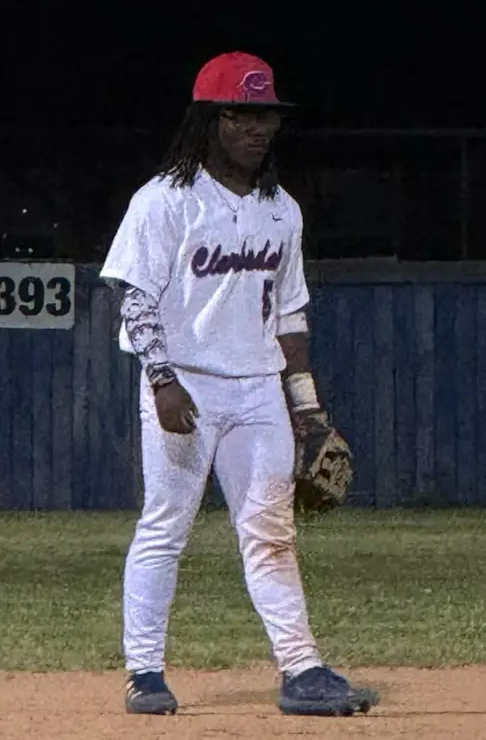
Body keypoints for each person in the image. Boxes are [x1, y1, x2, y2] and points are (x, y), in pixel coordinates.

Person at [100, 51, 379, 718]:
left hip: (257, 389)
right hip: (186, 386)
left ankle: (301, 669)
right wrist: (162, 379)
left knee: (271, 531)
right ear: (208, 120)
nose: (257, 127)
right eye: (240, 114)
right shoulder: (164, 200)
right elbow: (136, 299)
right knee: (166, 525)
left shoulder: (282, 210)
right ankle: (144, 672)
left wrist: (307, 409)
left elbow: (289, 316)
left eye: (266, 115)